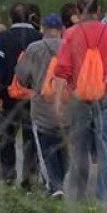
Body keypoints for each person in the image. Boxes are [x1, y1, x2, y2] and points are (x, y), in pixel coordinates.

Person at [54, 0, 107, 201]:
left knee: (78, 146)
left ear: (78, 11)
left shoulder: (71, 34)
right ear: (99, 10)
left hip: (79, 95)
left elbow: (62, 71)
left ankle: (78, 196)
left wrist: (58, 101)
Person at [0, 2, 43, 189]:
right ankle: (30, 176)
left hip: (8, 96)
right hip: (33, 96)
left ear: (10, 18)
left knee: (7, 136)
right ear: (30, 18)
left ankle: (8, 174)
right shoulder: (39, 38)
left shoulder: (2, 39)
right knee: (31, 136)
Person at [15, 14, 69, 197]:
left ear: (43, 28)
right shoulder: (72, 46)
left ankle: (54, 186)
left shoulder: (34, 48)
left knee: (46, 147)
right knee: (64, 146)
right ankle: (62, 182)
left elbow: (22, 77)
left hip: (42, 107)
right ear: (61, 29)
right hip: (67, 106)